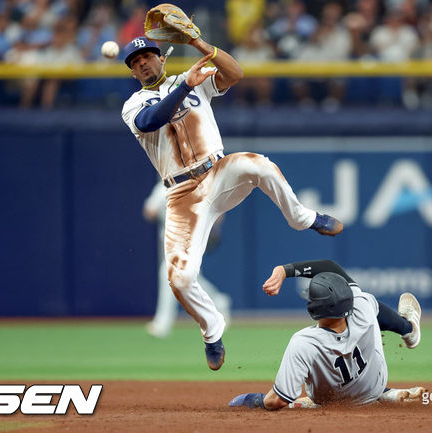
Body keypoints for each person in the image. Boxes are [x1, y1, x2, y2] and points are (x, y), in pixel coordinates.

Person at [120, 33, 343, 371]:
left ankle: (304, 219)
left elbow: (235, 74)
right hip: (182, 195)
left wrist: (201, 45)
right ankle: (212, 332)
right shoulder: (134, 104)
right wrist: (185, 87)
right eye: (136, 63)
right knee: (180, 279)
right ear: (133, 73)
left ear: (161, 58)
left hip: (218, 171)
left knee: (259, 164)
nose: (143, 63)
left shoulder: (190, 78)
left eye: (148, 57)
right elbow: (151, 120)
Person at [229, 259, 423, 410]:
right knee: (371, 307)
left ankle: (376, 393)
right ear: (347, 301)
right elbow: (330, 266)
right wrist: (286, 270)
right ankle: (408, 330)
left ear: (312, 309)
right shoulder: (362, 306)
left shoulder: (303, 343)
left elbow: (276, 401)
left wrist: (253, 399)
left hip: (328, 401)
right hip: (374, 385)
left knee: (295, 391)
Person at [143, 181, 231, 339]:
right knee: (190, 279)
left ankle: (162, 324)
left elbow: (218, 214)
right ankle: (219, 301)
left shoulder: (195, 184)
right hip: (169, 241)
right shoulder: (163, 187)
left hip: (190, 242)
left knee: (168, 274)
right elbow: (149, 211)